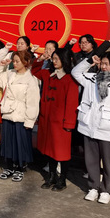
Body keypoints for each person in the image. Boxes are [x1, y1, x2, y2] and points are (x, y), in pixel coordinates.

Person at [72, 52, 110, 204]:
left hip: (107, 128)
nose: (104, 67)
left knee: (108, 162)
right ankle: (93, 187)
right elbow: (75, 72)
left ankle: (106, 190)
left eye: (107, 64)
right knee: (91, 160)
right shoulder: (91, 79)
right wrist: (89, 61)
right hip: (89, 126)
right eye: (102, 63)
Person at [32, 48, 79, 191]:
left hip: (61, 122)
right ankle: (52, 177)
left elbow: (72, 103)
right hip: (47, 120)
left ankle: (62, 179)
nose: (54, 61)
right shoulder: (48, 74)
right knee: (49, 150)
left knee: (62, 153)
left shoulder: (70, 79)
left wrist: (69, 123)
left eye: (57, 59)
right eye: (53, 59)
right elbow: (34, 70)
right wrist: (41, 59)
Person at [0, 51, 41, 182]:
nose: (15, 63)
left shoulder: (31, 79)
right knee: (7, 142)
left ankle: (20, 168)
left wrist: (30, 120)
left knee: (21, 143)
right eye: (14, 61)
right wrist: (0, 65)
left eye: (17, 61)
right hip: (8, 112)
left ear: (26, 62)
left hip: (21, 115)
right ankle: (9, 167)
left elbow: (32, 102)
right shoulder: (9, 74)